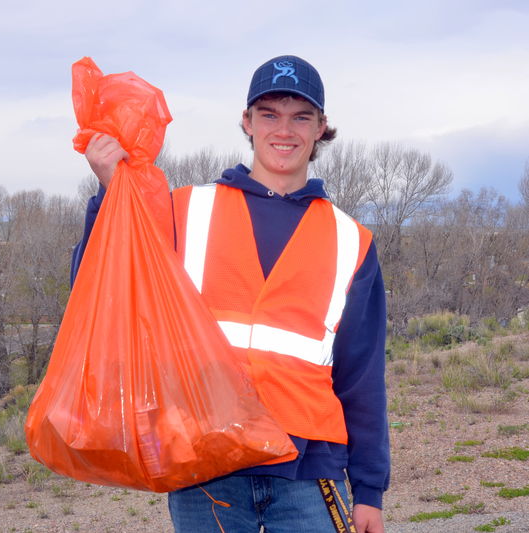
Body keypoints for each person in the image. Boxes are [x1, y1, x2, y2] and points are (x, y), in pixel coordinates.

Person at [71, 55, 390, 533]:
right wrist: (109, 193)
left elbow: (361, 377)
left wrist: (369, 491)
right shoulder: (184, 211)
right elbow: (99, 285)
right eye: (269, 114)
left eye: (301, 116)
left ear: (322, 127)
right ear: (247, 121)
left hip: (308, 471)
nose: (285, 130)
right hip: (205, 464)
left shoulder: (352, 241)